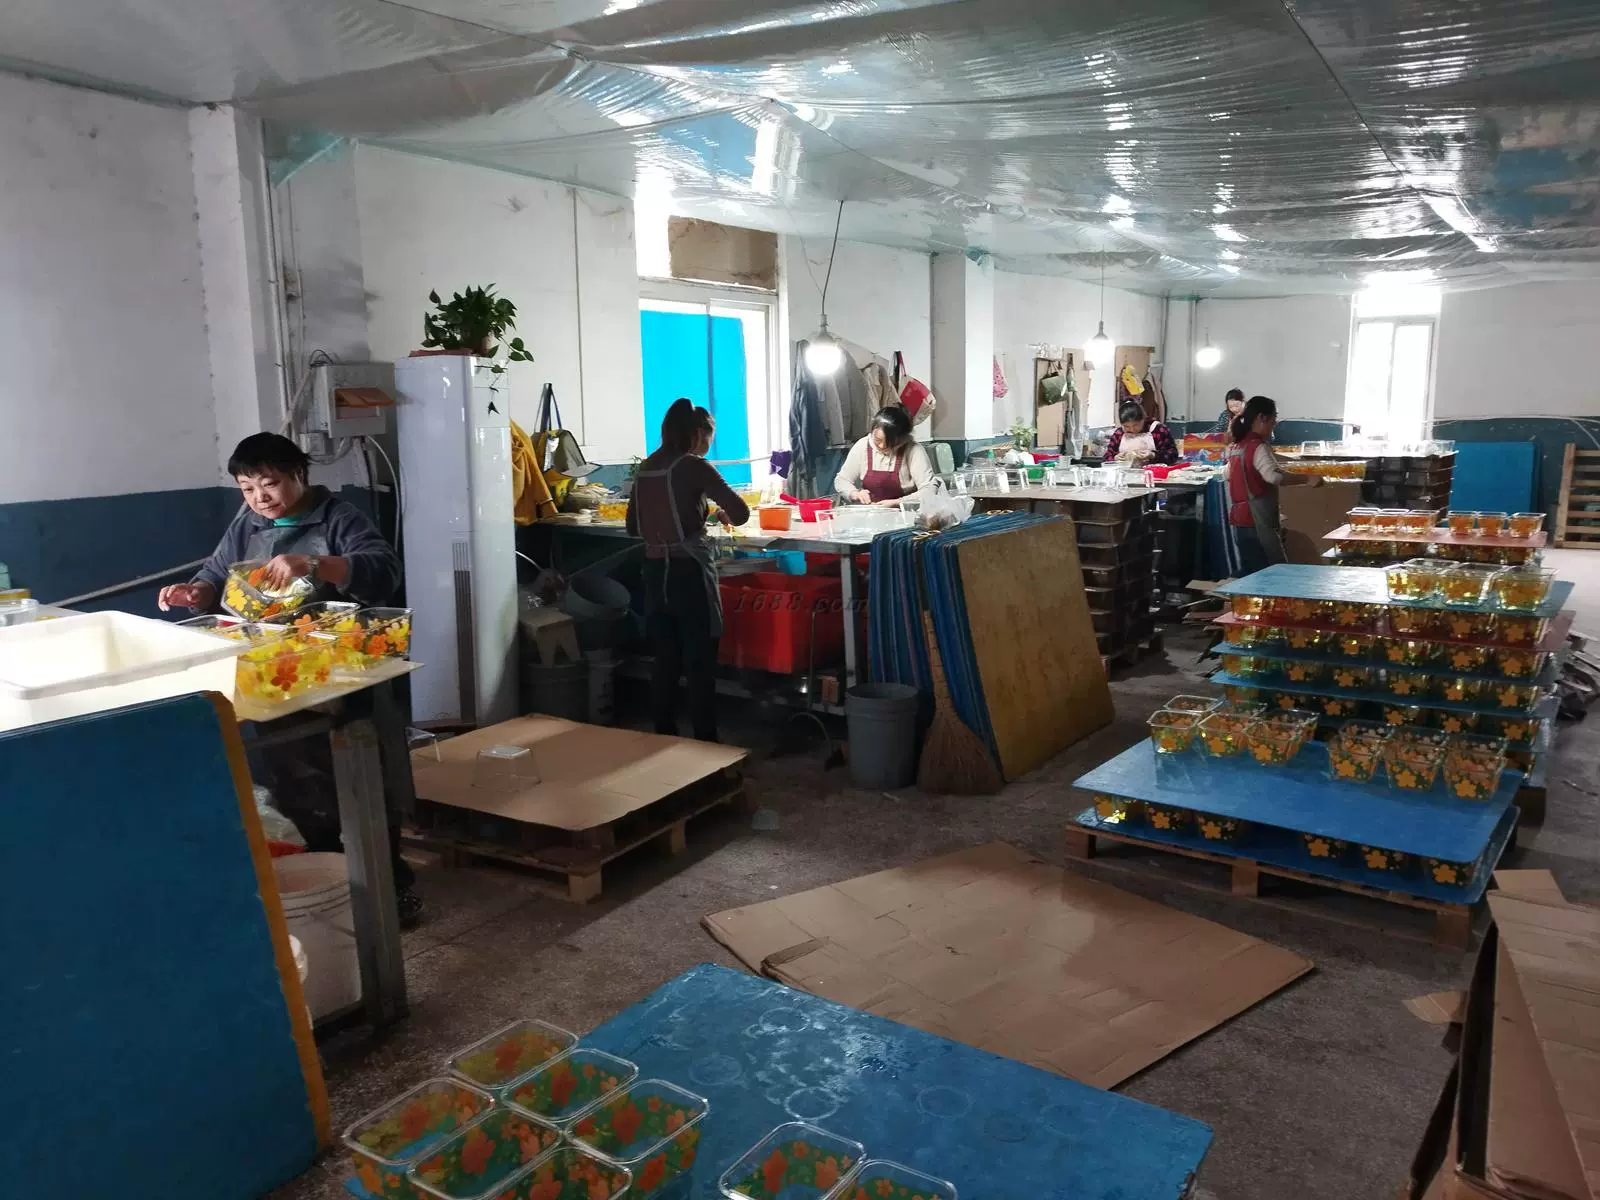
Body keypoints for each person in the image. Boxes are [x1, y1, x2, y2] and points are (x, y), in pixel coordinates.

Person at [157, 434, 419, 924]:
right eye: (247, 488)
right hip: (278, 674)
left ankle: (392, 885)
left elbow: (383, 570)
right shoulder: (248, 524)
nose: (260, 498)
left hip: (342, 672)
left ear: (299, 474)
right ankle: (331, 879)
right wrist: (195, 593)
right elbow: (215, 574)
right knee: (298, 782)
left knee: (364, 785)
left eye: (270, 483)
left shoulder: (339, 518)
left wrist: (315, 563)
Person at [626, 399, 750, 742]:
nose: (708, 444)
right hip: (688, 573)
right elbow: (741, 513)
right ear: (697, 433)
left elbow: (633, 527)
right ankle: (705, 741)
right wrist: (715, 514)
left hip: (654, 572)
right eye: (709, 436)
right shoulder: (695, 466)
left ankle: (663, 736)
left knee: (665, 659)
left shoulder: (647, 467)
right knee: (699, 660)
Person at [1226, 394, 1323, 573]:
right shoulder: (1257, 446)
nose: (1275, 424)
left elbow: (1227, 475)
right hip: (1258, 522)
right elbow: (1274, 476)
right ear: (1262, 417)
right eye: (1274, 418)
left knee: (1252, 575)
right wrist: (1307, 479)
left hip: (1239, 523)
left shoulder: (1237, 447)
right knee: (1273, 574)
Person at [833, 405, 936, 505]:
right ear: (873, 430)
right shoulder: (863, 445)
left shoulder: (913, 450)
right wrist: (854, 493)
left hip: (906, 512)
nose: (882, 446)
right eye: (878, 440)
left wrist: (898, 502)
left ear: (901, 438)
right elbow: (842, 480)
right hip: (872, 511)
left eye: (890, 442)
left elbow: (929, 489)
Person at [1102, 401, 1179, 466]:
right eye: (1126, 426)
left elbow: (1173, 455)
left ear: (1143, 419)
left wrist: (1153, 455)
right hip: (1125, 474)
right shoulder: (1119, 434)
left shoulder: (1157, 430)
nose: (1132, 429)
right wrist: (1115, 458)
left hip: (1153, 474)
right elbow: (1106, 457)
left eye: (1136, 425)